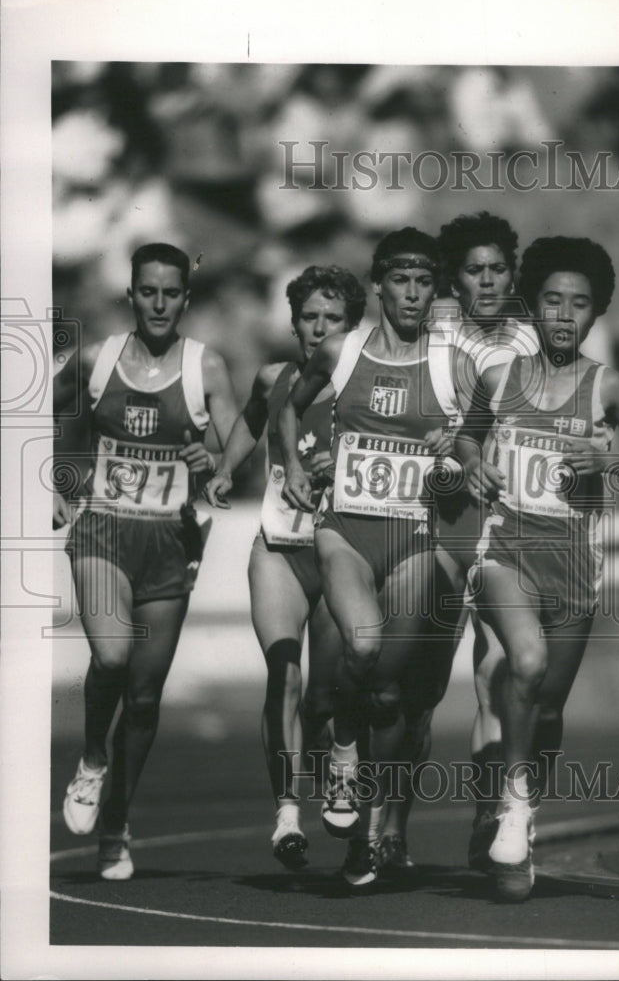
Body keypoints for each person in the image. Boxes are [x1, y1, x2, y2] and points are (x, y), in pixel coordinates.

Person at [457, 236, 619, 901]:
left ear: (595, 313)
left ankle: (518, 809)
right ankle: (515, 814)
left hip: (573, 562)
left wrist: (607, 464)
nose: (563, 314)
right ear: (534, 305)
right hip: (506, 549)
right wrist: (474, 463)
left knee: (546, 709)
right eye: (552, 300)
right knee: (523, 662)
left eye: (578, 304)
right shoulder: (501, 378)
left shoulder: (606, 385)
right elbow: (467, 435)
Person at [279, 228, 464, 887]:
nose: (412, 293)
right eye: (401, 280)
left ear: (433, 291)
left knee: (393, 690)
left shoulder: (451, 364)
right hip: (346, 533)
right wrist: (300, 465)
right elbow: (288, 410)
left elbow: (477, 447)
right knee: (359, 651)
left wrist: (458, 456)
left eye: (424, 282)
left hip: (415, 537)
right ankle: (345, 755)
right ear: (381, 285)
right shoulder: (340, 350)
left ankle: (380, 820)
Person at [53, 242, 237, 880]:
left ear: (187, 298)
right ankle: (91, 761)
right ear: (130, 294)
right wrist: (54, 485)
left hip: (169, 543)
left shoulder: (205, 367)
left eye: (172, 293)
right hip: (103, 528)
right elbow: (41, 416)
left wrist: (210, 461)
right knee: (111, 656)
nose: (160, 304)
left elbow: (231, 447)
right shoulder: (94, 361)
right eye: (148, 291)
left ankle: (116, 825)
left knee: (146, 699)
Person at [203, 265, 365, 869]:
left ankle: (341, 768)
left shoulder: (365, 390)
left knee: (329, 693)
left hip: (340, 551)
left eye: (333, 319)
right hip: (277, 546)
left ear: (352, 326)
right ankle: (287, 814)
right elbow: (252, 421)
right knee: (285, 676)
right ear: (293, 320)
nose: (318, 329)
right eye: (309, 317)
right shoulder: (275, 377)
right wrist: (225, 469)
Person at [431, 212, 541, 873]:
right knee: (415, 684)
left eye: (499, 268)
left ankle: (490, 811)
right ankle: (383, 823)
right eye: (475, 270)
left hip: (500, 521)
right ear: (455, 276)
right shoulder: (435, 331)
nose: (489, 280)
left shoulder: (533, 337)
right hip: (431, 516)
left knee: (492, 671)